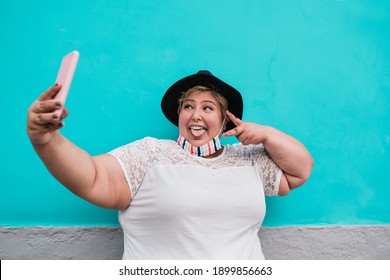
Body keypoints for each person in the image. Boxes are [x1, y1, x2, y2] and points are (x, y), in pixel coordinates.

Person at [27, 70, 314, 259]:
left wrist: (266, 134)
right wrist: (46, 138)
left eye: (207, 107)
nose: (195, 114)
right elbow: (92, 177)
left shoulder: (247, 158)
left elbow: (299, 171)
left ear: (226, 120)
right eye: (188, 106)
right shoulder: (149, 153)